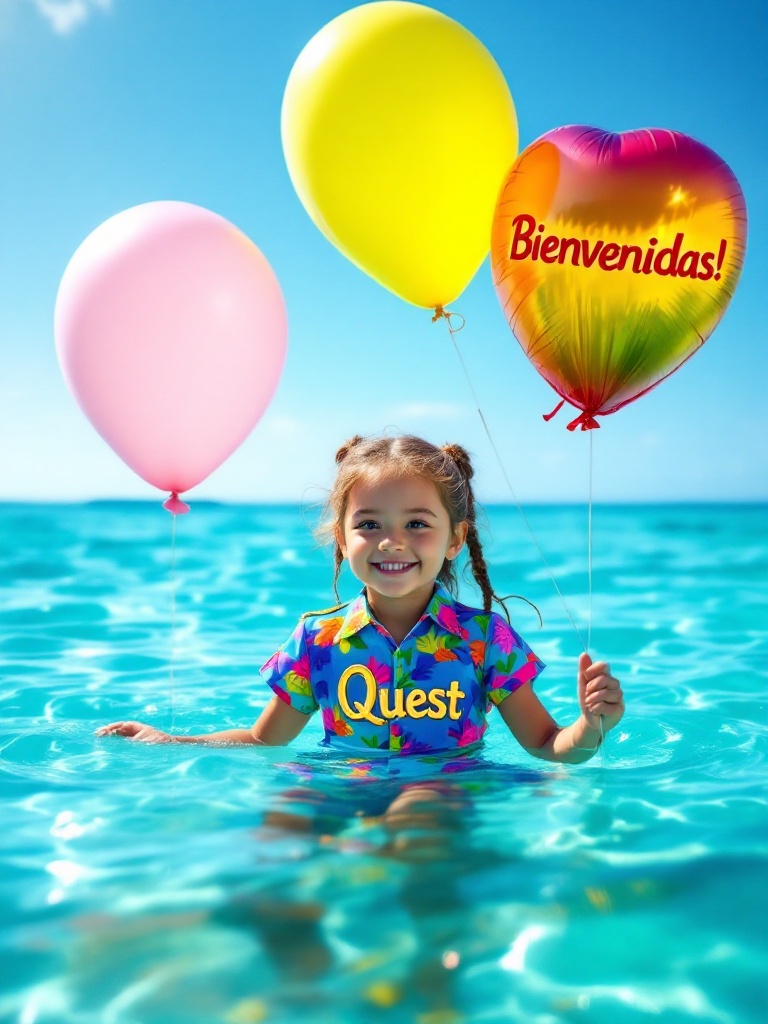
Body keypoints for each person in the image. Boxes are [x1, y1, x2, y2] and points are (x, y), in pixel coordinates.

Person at [96, 434, 624, 763]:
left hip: (444, 797)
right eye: (369, 524)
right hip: (339, 791)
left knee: (415, 818)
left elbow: (544, 745)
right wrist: (170, 741)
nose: (392, 541)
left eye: (417, 524)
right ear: (343, 538)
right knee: (275, 844)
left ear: (455, 539)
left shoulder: (485, 642)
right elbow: (265, 741)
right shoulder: (317, 640)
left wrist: (589, 727)